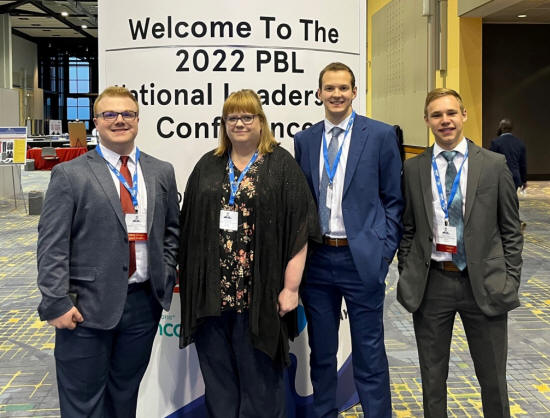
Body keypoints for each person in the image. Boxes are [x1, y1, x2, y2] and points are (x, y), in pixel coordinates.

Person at [37, 86, 180, 417]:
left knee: (125, 396)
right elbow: (51, 244)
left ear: (138, 120)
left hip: (143, 305)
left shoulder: (161, 171)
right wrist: (56, 301)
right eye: (110, 114)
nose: (119, 120)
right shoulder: (70, 174)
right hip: (84, 308)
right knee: (84, 404)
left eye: (127, 114)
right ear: (96, 121)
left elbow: (172, 230)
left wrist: (164, 272)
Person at [178, 89, 319, 418]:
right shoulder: (209, 165)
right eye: (232, 118)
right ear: (223, 124)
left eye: (246, 116)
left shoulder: (281, 165)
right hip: (211, 298)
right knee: (219, 383)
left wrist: (291, 288)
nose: (239, 123)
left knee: (261, 385)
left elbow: (301, 230)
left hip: (260, 298)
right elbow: (188, 226)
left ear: (261, 121)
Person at [397, 88, 523, 417]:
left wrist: (509, 280)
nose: (445, 120)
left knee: (493, 379)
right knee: (432, 379)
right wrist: (408, 271)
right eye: (437, 115)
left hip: (485, 282)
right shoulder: (414, 169)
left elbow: (511, 229)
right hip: (432, 284)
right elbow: (408, 228)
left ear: (464, 115)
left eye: (451, 113)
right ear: (427, 121)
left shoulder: (493, 165)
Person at [294, 62, 403, 418]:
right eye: (329, 88)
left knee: (369, 355)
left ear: (355, 92)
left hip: (362, 261)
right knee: (322, 354)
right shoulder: (305, 141)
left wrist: (382, 254)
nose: (336, 94)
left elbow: (394, 200)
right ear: (319, 93)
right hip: (318, 262)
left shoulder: (381, 135)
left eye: (343, 88)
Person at [490, 118, 527, 229]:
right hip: (515, 177)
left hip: (501, 176)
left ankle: (506, 222)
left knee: (500, 200)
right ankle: (515, 221)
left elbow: (490, 162)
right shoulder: (520, 143)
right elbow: (523, 164)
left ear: (501, 128)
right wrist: (524, 180)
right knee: (512, 198)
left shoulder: (496, 142)